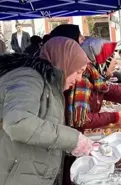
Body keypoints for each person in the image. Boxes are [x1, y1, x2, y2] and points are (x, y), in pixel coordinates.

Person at [0, 37, 94, 185]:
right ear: (65, 61)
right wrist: (73, 140)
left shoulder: (50, 85)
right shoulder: (27, 78)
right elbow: (18, 123)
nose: (79, 79)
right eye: (78, 71)